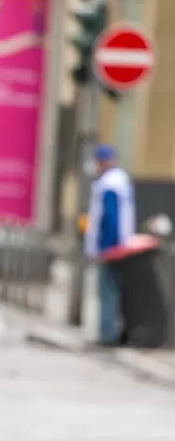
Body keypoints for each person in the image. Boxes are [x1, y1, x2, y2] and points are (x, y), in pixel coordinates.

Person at [84, 144, 136, 346]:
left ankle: (108, 334)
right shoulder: (120, 181)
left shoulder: (109, 185)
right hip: (119, 246)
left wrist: (105, 249)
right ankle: (111, 332)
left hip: (111, 248)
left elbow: (109, 219)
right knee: (113, 290)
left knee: (107, 291)